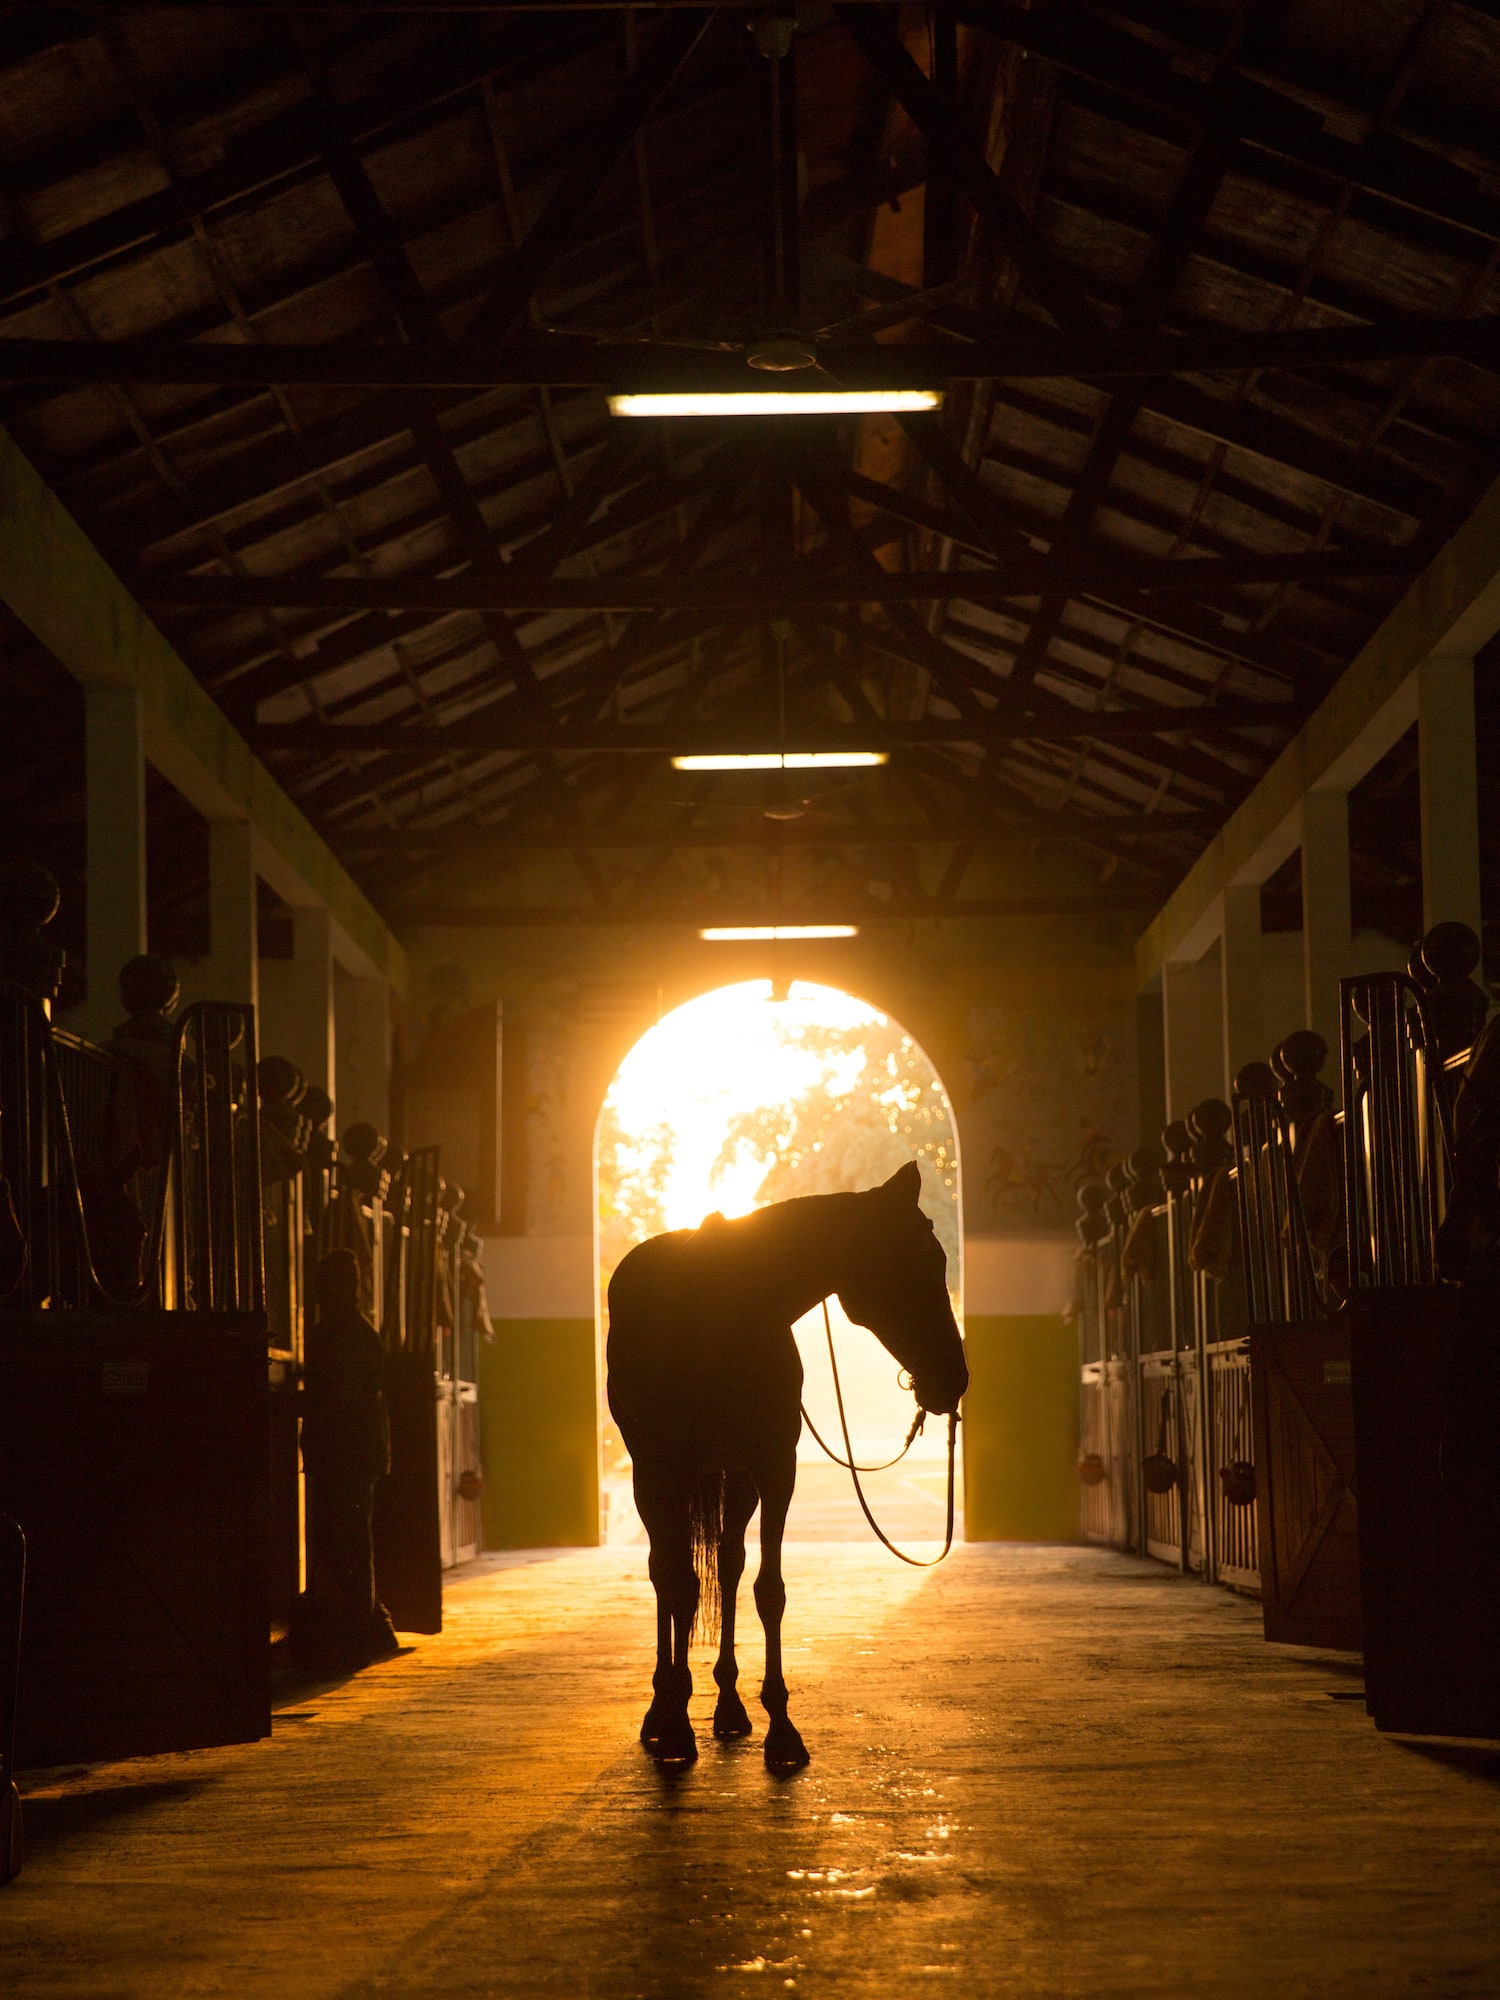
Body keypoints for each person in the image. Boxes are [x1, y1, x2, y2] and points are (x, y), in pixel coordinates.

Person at [296, 1247, 398, 1666]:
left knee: (349, 1539)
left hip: (347, 1452)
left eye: (327, 1286)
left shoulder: (344, 1336)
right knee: (348, 1537)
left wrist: (299, 1405)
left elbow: (344, 1398)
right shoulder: (349, 1333)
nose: (322, 1294)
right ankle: (365, 1624)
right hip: (348, 1452)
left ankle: (359, 1629)